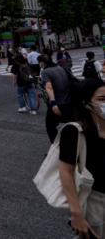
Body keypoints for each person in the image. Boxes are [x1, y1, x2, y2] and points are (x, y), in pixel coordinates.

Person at [58, 79, 105, 238]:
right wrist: (76, 213)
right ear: (86, 103)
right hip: (95, 200)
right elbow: (65, 171)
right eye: (102, 99)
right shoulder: (74, 131)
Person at [41, 54, 75, 143]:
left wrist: (53, 103)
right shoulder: (60, 68)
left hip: (58, 103)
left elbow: (49, 87)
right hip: (69, 101)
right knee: (72, 124)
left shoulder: (45, 72)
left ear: (42, 62)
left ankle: (57, 147)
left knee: (50, 126)